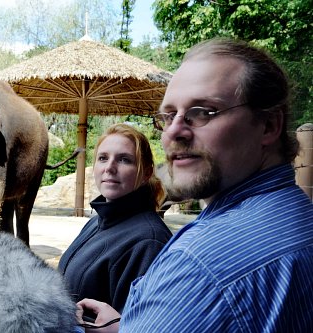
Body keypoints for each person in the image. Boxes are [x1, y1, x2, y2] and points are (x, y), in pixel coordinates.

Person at [76, 38, 313, 332]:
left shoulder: (200, 264)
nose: (174, 130)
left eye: (203, 111)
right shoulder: (301, 215)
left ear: (268, 126)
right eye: (167, 115)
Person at [58, 123, 172, 314]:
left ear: (146, 173)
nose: (109, 168)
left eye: (124, 160)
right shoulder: (96, 222)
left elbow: (139, 322)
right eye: (103, 158)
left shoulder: (149, 242)